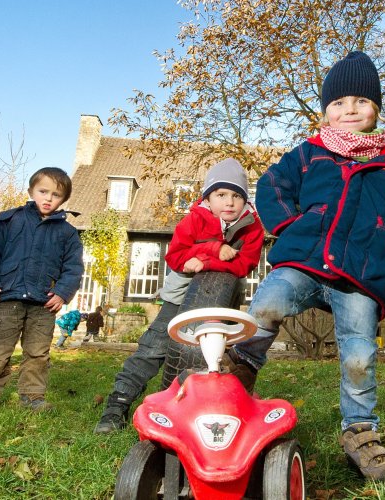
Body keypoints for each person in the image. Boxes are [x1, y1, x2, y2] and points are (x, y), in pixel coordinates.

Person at [226, 52, 385, 486]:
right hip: (304, 261)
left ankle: (360, 433)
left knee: (360, 355)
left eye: (360, 102)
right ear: (326, 110)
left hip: (361, 277)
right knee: (267, 303)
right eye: (338, 102)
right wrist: (291, 224)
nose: (349, 110)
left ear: (376, 110)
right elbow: (272, 186)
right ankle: (234, 379)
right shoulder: (310, 153)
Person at [94, 158, 264, 433]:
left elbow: (245, 263)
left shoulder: (251, 226)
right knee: (154, 348)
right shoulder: (195, 218)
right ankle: (118, 404)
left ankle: (200, 409)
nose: (229, 202)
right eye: (221, 195)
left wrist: (206, 260)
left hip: (221, 298)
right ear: (208, 197)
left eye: (237, 195)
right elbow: (175, 256)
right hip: (179, 295)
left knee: (212, 356)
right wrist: (213, 248)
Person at [0, 167, 84, 417]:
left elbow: (73, 268)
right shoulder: (10, 221)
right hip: (7, 298)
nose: (48, 198)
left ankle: (32, 396)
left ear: (63, 200)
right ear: (31, 191)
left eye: (56, 195)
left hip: (44, 303)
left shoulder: (67, 233)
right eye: (43, 191)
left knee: (38, 353)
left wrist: (62, 293)